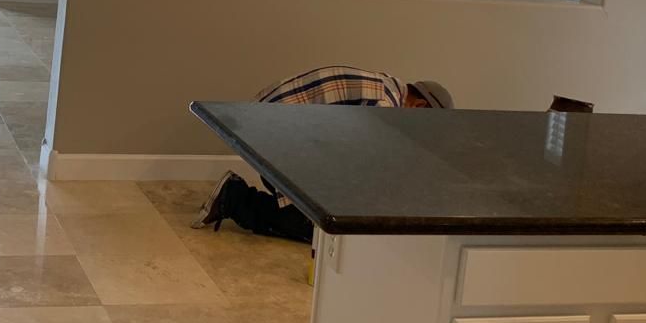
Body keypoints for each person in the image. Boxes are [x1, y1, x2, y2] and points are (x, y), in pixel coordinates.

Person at [193, 66, 453, 242]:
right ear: (419, 106)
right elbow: (368, 166)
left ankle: (240, 198)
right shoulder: (384, 105)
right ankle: (234, 198)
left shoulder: (384, 87)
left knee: (334, 204)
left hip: (270, 128)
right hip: (274, 137)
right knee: (319, 227)